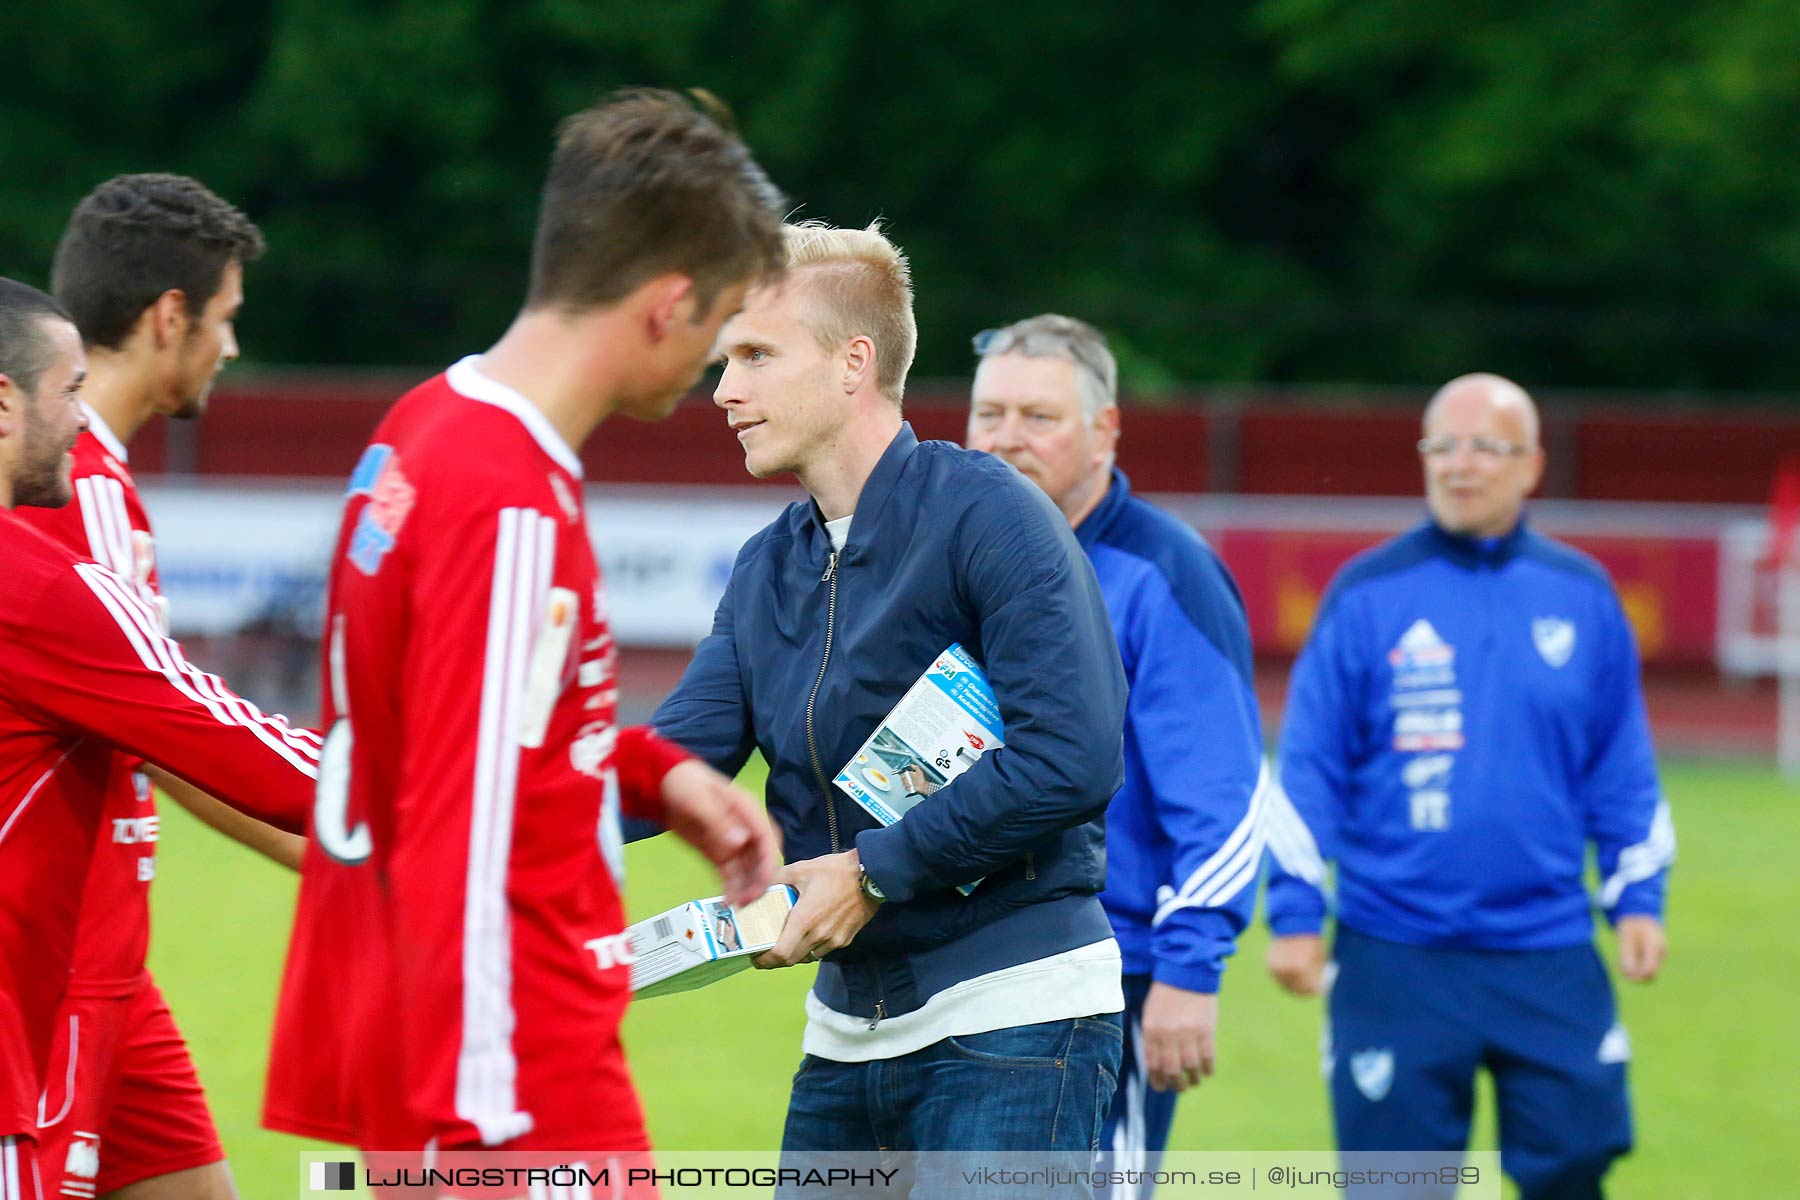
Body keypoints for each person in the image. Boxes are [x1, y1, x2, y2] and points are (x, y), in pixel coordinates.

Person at [261, 89, 785, 1189]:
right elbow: (463, 820)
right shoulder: (506, 501)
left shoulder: (426, 424)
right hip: (510, 1088)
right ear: (668, 302)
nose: (711, 366)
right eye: (721, 325)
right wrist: (485, 1132)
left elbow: (454, 733)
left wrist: (657, 771)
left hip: (453, 1053)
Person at [651, 223, 1129, 1177]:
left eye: (754, 355)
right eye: (722, 361)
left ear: (851, 364)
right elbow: (664, 768)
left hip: (1016, 1018)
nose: (725, 389)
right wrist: (492, 788)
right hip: (845, 1036)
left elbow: (1071, 757)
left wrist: (873, 871)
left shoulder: (989, 512)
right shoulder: (767, 566)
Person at [1260, 374, 1674, 1199]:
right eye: (1442, 445)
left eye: (1485, 446)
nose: (1460, 464)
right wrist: (1299, 913)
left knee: (1576, 1171)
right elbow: (1308, 767)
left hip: (1549, 950)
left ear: (1530, 466)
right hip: (1394, 953)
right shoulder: (1365, 593)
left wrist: (1637, 895)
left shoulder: (1584, 596)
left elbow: (1620, 763)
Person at [17, 173, 304, 1200]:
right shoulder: (75, 487)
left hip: (110, 959)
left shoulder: (96, 481)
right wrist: (359, 854)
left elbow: (148, 724)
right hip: (56, 960)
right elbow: (175, 722)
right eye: (226, 319)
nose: (230, 347)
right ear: (170, 315)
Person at [965, 315, 1264, 1186]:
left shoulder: (1165, 572)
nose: (1006, 438)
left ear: (1104, 432)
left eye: (1038, 416)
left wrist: (1192, 966)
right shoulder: (956, 557)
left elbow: (1226, 795)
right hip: (955, 956)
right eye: (990, 414)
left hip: (1106, 972)